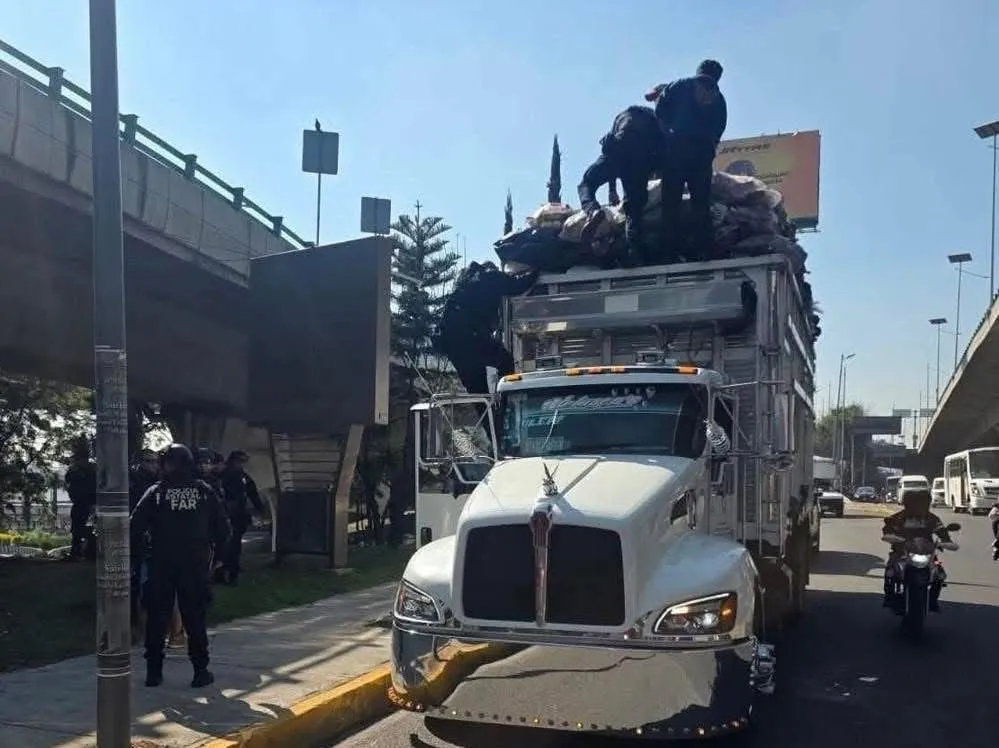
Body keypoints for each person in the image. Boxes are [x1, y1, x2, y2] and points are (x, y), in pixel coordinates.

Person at [130, 443, 231, 688]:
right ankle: (200, 671)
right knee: (195, 617)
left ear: (168, 465)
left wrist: (139, 555)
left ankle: (154, 672)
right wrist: (219, 557)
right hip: (194, 563)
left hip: (161, 562)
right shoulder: (204, 491)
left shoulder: (156, 492)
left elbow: (134, 526)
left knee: (157, 617)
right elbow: (223, 528)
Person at [645, 59, 727, 260]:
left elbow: (660, 111)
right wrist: (709, 146)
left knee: (670, 203)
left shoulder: (680, 85)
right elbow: (720, 127)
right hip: (702, 155)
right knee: (701, 204)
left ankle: (669, 252)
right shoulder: (719, 98)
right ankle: (704, 250)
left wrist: (667, 134)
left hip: (676, 152)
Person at [577, 105, 666, 265]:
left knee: (587, 183)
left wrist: (612, 189)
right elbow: (660, 151)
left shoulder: (624, 115)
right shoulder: (655, 120)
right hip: (639, 158)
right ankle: (633, 251)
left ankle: (593, 211)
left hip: (617, 148)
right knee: (633, 210)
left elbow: (611, 147)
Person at [437, 261, 537, 395]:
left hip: (449, 341)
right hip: (470, 335)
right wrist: (537, 269)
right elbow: (519, 285)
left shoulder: (465, 281)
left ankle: (488, 413)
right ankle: (507, 404)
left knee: (477, 388)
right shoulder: (492, 277)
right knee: (505, 361)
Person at [881, 488, 951, 612]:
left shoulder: (932, 518)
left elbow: (941, 531)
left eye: (922, 503)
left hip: (927, 553)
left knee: (940, 575)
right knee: (890, 571)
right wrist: (891, 536)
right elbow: (888, 528)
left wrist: (946, 541)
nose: (918, 506)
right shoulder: (898, 517)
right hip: (902, 552)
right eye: (915, 503)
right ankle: (889, 596)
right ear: (907, 503)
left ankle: (933, 600)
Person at [219, 450, 265, 585]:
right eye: (239, 461)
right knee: (228, 544)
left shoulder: (242, 475)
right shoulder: (225, 475)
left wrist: (259, 507)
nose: (241, 464)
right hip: (227, 513)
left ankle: (233, 567)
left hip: (239, 513)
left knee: (236, 542)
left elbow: (252, 491)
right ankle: (226, 572)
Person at [64, 439, 96, 560]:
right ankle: (76, 551)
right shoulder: (75, 469)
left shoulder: (91, 469)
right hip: (79, 503)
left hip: (88, 503)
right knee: (77, 528)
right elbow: (68, 480)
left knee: (86, 528)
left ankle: (86, 551)